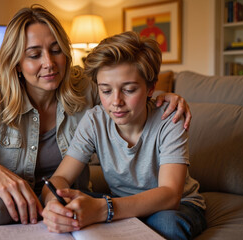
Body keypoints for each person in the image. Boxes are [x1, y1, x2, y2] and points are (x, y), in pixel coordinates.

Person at [0, 5, 192, 226]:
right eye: (34, 54)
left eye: (56, 50)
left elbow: (126, 92)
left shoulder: (85, 87)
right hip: (17, 205)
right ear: (16, 62)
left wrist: (163, 97)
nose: (49, 63)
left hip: (66, 201)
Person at [41, 31, 206, 239]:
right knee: (73, 205)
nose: (116, 102)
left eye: (128, 90)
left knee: (166, 224)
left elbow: (170, 195)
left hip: (177, 206)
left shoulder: (169, 119)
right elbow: (61, 177)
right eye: (106, 91)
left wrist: (104, 209)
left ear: (150, 88)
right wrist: (55, 205)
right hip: (120, 204)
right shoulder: (94, 120)